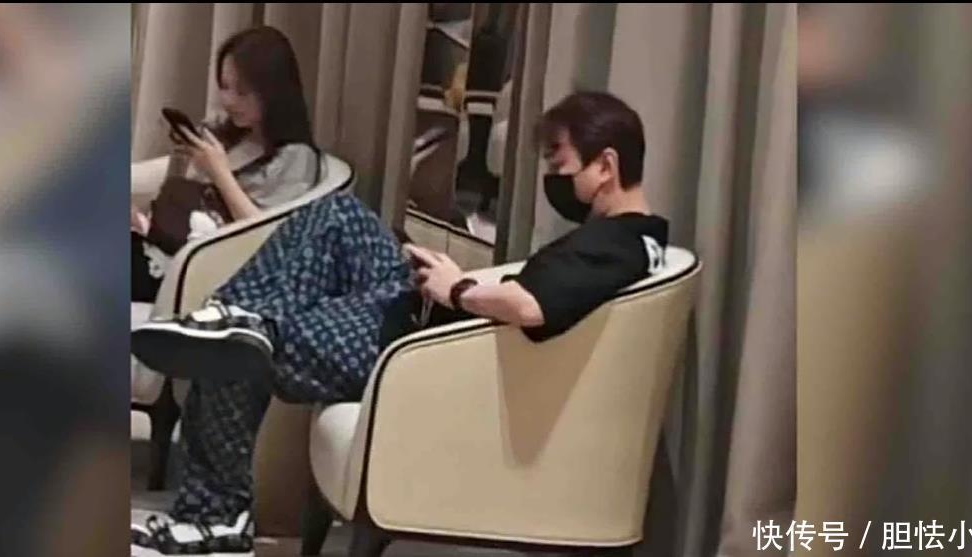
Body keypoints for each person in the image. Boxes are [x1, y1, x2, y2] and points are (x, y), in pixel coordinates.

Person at [129, 91, 669, 556]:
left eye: (560, 164)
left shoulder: (621, 244)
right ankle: (236, 317)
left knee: (236, 347)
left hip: (413, 349)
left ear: (606, 165)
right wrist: (449, 278)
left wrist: (458, 288)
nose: (553, 178)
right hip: (419, 314)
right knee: (335, 217)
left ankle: (217, 514)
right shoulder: (621, 239)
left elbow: (530, 307)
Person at [131, 26, 322, 303]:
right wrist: (181, 158)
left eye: (242, 91)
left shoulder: (296, 157)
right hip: (167, 247)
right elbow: (176, 202)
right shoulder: (231, 134)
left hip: (200, 273)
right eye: (224, 86)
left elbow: (266, 238)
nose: (229, 100)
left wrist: (219, 172)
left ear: (273, 92)